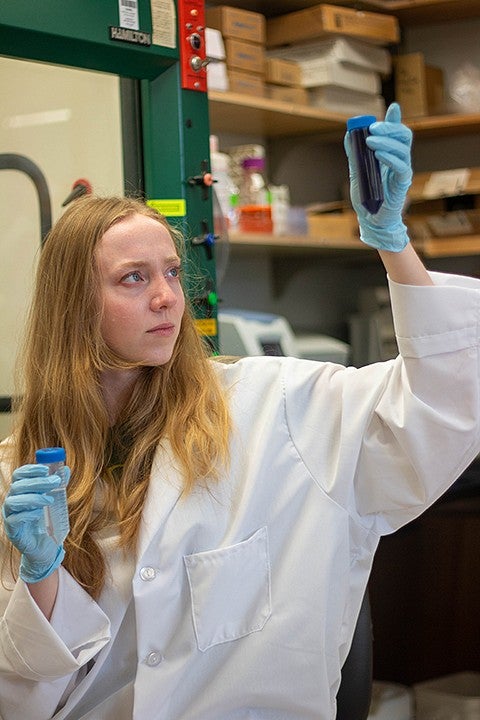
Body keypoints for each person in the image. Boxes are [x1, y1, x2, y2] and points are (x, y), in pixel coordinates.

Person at [0, 103, 479, 720]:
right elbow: (20, 698)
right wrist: (40, 577)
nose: (168, 296)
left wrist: (393, 245)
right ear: (74, 306)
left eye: (172, 271)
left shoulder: (275, 407)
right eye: (133, 279)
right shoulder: (24, 475)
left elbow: (446, 403)